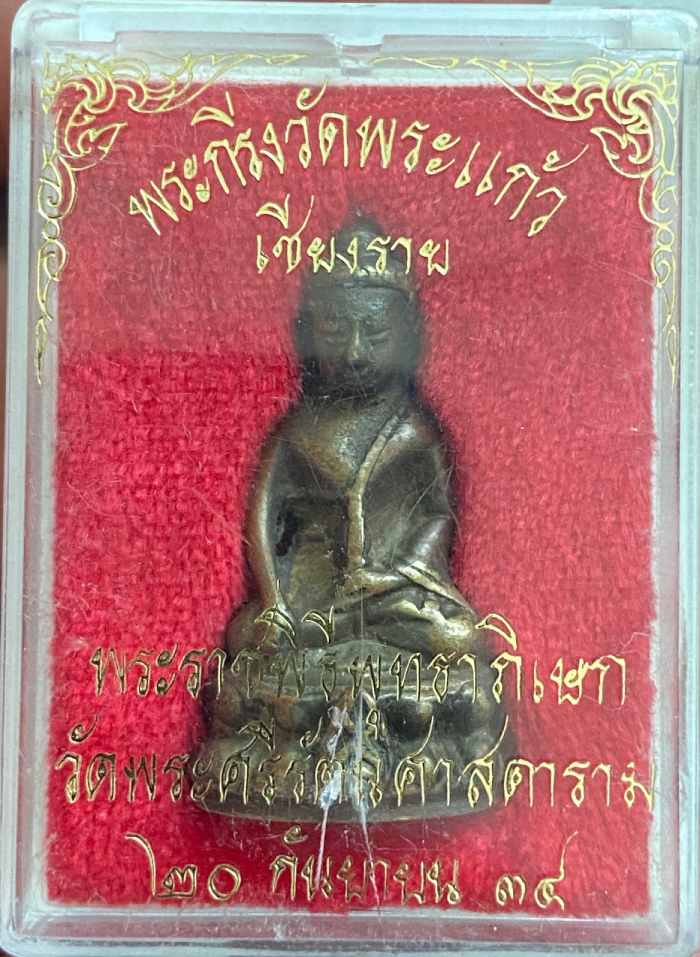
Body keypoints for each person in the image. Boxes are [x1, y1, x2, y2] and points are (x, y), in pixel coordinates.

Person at [194, 216, 510, 821]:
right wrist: (276, 601)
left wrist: (401, 574)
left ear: (408, 337)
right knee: (249, 638)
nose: (356, 352)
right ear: (309, 333)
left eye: (376, 332)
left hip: (395, 597)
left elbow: (436, 518)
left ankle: (399, 735)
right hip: (313, 598)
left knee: (459, 640)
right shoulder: (298, 431)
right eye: (337, 331)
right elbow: (263, 523)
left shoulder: (415, 431)